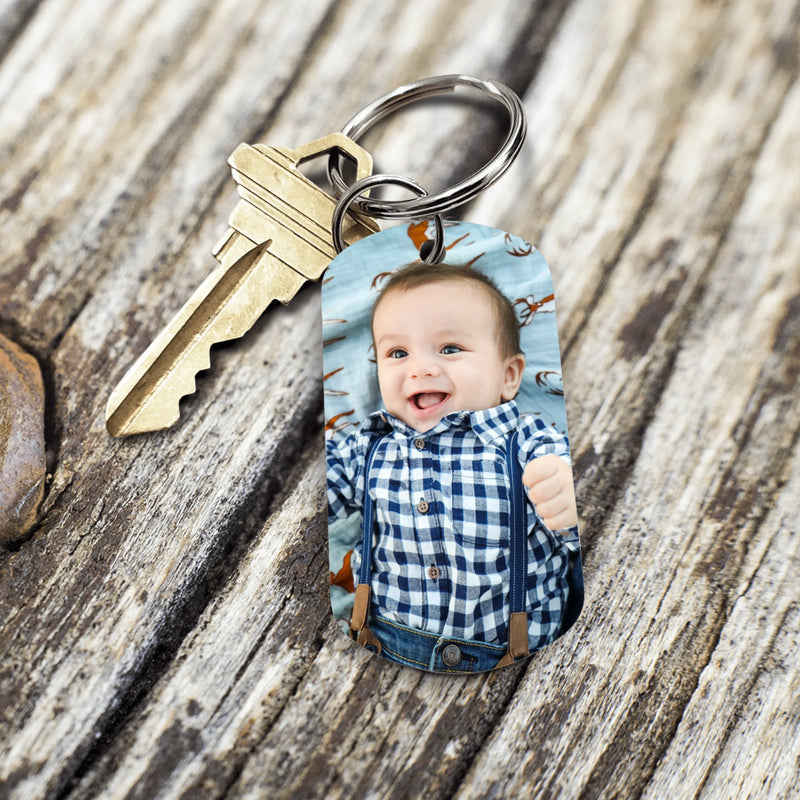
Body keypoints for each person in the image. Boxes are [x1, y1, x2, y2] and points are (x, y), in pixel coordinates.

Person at [326, 262, 579, 672]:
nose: (420, 368)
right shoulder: (369, 447)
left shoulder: (530, 442)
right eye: (397, 353)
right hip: (382, 644)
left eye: (449, 349)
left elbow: (584, 540)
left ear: (509, 375)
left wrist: (567, 501)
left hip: (517, 653)